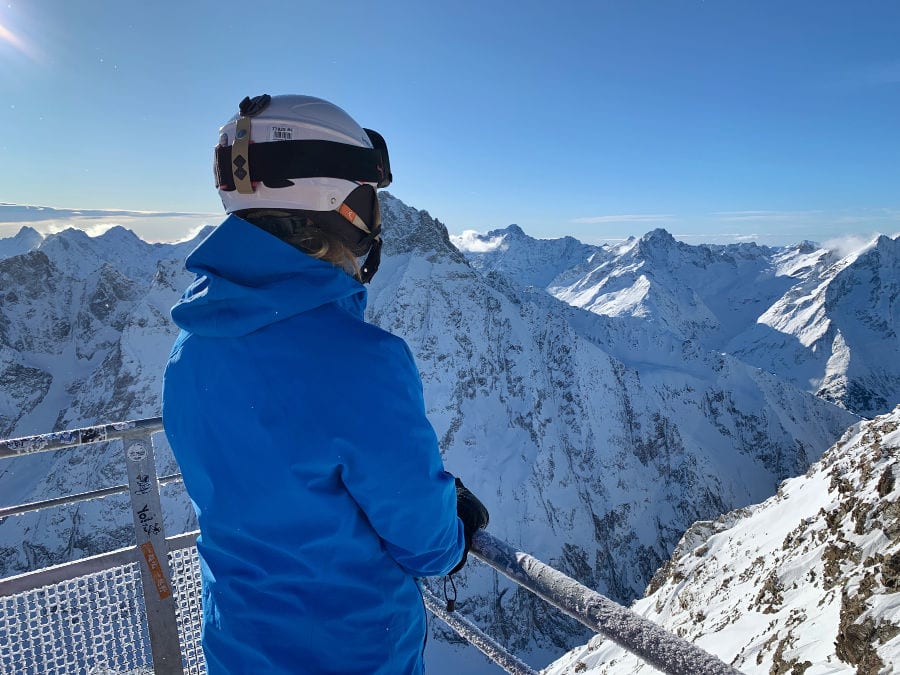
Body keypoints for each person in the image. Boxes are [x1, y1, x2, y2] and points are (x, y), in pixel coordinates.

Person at [162, 94, 489, 674]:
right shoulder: (363, 363)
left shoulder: (190, 349)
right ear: (338, 207)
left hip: (236, 647)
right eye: (370, 205)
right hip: (353, 653)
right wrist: (455, 519)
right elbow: (426, 543)